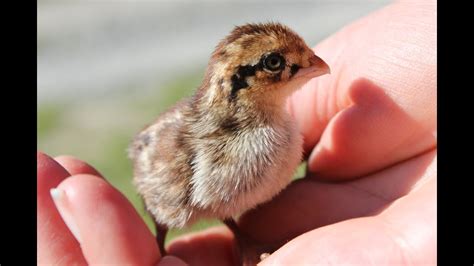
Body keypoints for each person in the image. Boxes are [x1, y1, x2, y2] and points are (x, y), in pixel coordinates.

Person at [37, 1, 436, 264]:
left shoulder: (281, 131)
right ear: (239, 84)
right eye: (278, 63)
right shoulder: (194, 148)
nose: (310, 65)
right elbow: (156, 167)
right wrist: (161, 231)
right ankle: (161, 247)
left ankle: (240, 237)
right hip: (179, 174)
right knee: (171, 209)